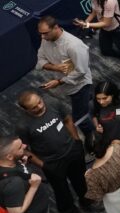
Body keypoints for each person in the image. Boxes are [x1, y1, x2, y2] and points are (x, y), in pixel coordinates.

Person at [14, 91, 87, 213]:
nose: (40, 107)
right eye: (34, 107)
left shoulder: (53, 103)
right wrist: (43, 166)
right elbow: (24, 150)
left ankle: (87, 200)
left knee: (81, 179)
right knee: (61, 191)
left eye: (39, 102)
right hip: (52, 163)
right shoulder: (23, 126)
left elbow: (67, 120)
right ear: (26, 110)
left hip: (72, 151)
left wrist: (77, 141)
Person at [34, 16, 94, 150]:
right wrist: (55, 67)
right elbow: (40, 60)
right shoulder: (46, 39)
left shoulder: (74, 46)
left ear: (56, 28)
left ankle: (90, 134)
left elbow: (81, 71)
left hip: (79, 85)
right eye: (41, 33)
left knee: (80, 116)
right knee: (85, 103)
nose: (42, 37)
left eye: (45, 33)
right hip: (64, 85)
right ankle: (91, 101)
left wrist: (59, 81)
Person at [0, 134, 53, 213]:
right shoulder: (12, 183)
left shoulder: (9, 162)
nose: (24, 145)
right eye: (20, 147)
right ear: (9, 157)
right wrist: (34, 187)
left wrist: (22, 165)